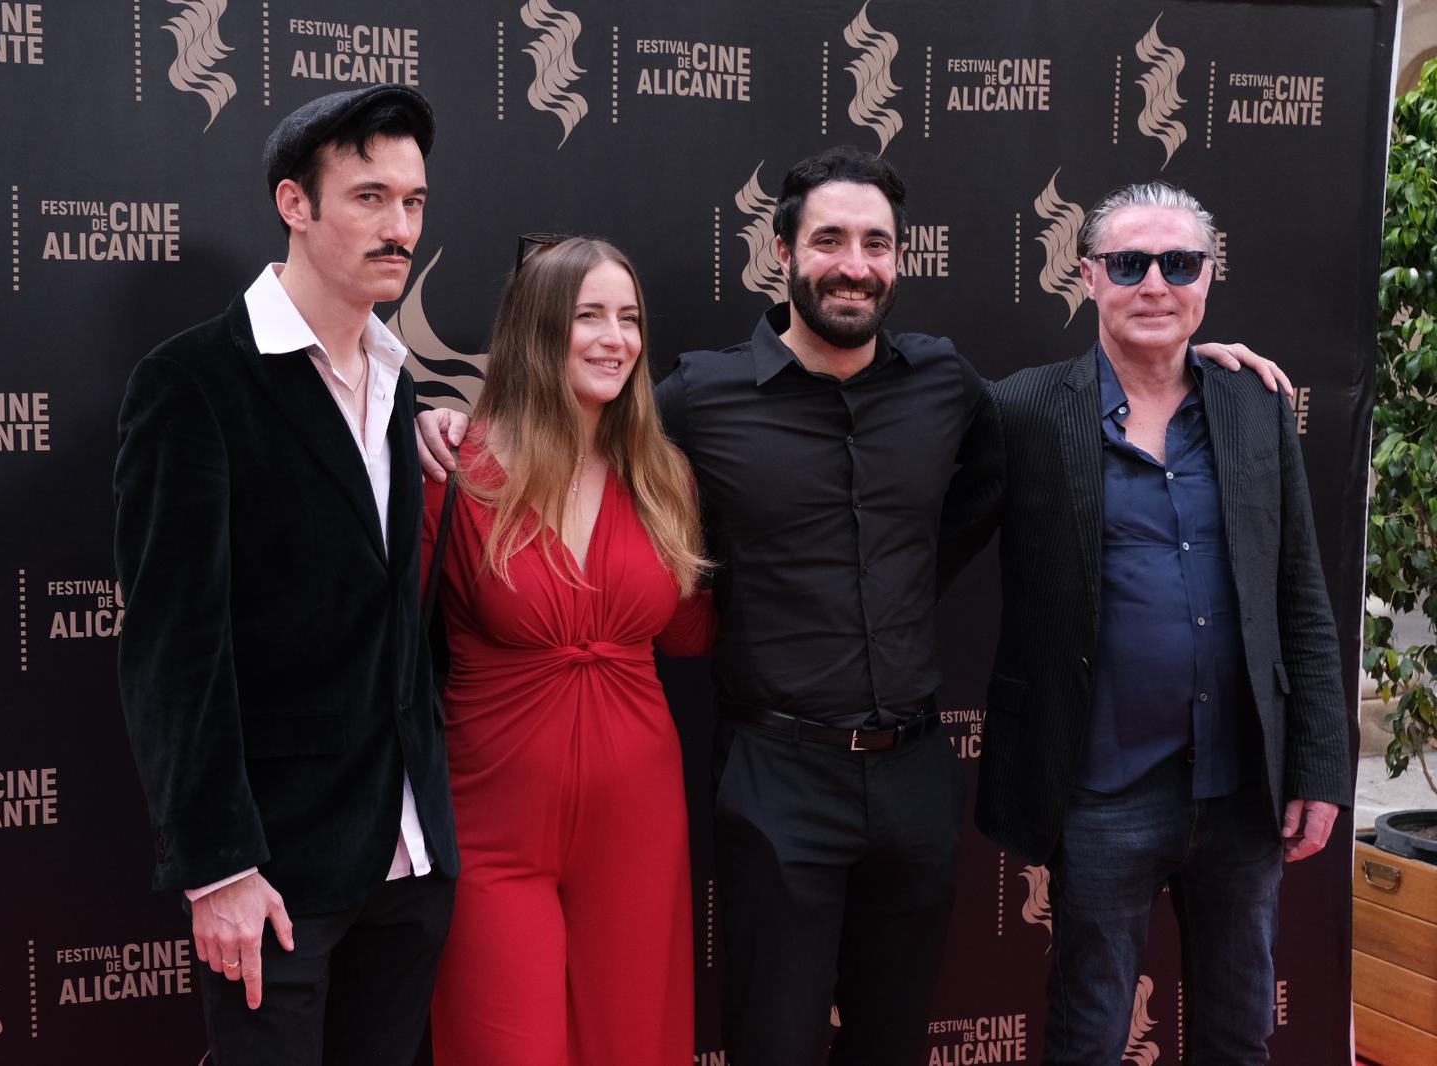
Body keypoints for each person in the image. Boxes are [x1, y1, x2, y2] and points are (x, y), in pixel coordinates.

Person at [416, 149, 1285, 1065]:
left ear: (900, 261)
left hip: (913, 778)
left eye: (877, 243)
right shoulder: (697, 399)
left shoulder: (945, 384)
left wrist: (1183, 364)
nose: (855, 262)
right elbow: (577, 431)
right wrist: (458, 424)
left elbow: (1061, 417)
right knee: (772, 1042)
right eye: (829, 239)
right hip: (771, 777)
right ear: (783, 251)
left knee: (891, 1042)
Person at [967, 182, 1350, 1064]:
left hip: (1241, 790)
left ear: (1207, 280)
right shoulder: (1025, 410)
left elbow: (1302, 597)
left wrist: (1321, 768)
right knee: (1090, 1036)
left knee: (1238, 1031)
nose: (1154, 283)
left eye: (1178, 264)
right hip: (1100, 791)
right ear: (1089, 274)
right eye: (1130, 262)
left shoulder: (1255, 406)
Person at [113, 85, 457, 1066]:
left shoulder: (396, 384)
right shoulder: (192, 385)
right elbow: (174, 654)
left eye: (415, 202)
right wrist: (217, 866)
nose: (400, 229)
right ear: (293, 204)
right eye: (368, 198)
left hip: (410, 860)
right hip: (276, 877)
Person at [421, 236, 714, 1066]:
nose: (614, 338)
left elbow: (693, 633)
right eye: (588, 315)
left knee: (633, 1046)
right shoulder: (455, 470)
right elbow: (385, 648)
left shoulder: (665, 478)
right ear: (535, 331)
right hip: (492, 833)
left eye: (629, 319)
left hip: (639, 823)